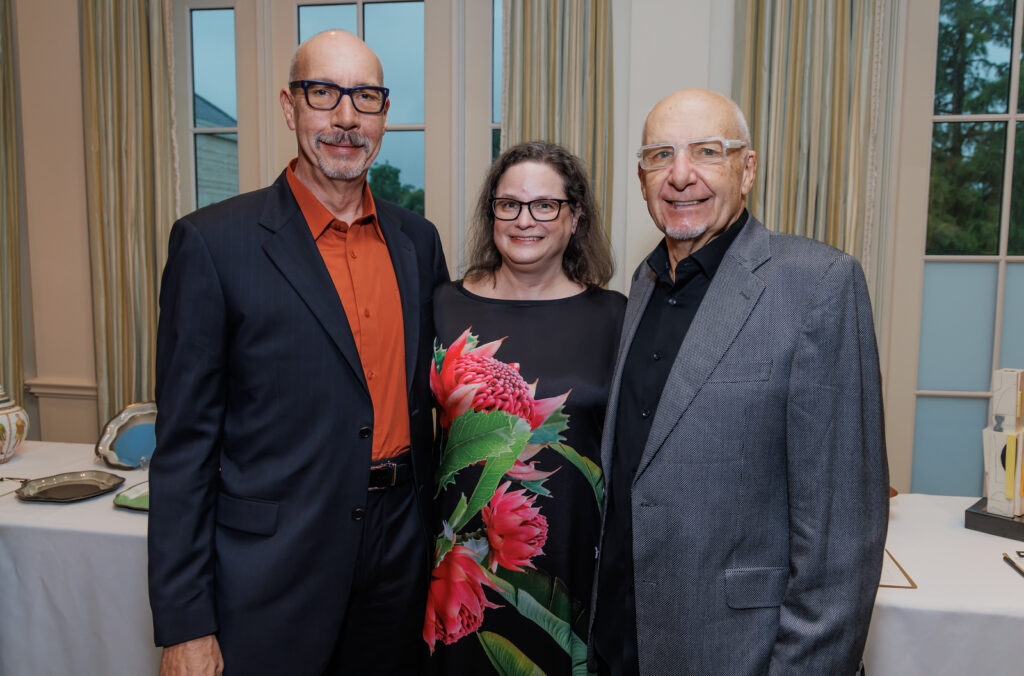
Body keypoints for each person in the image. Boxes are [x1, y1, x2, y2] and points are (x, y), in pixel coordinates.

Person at [148, 30, 448, 675]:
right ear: (290, 108)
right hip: (272, 573)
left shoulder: (418, 242)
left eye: (365, 98)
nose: (346, 117)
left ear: (384, 115)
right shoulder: (212, 244)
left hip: (401, 555)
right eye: (324, 94)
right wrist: (184, 624)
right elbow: (183, 452)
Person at [589, 89, 889, 675]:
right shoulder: (644, 284)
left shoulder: (818, 285)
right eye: (660, 156)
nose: (681, 176)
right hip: (622, 639)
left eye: (707, 151)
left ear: (746, 169)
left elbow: (839, 541)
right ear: (641, 176)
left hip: (736, 653)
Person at [423, 142, 626, 674]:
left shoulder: (615, 317)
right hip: (458, 570)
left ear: (575, 215)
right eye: (509, 204)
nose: (524, 220)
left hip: (574, 574)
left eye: (544, 205)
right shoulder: (442, 307)